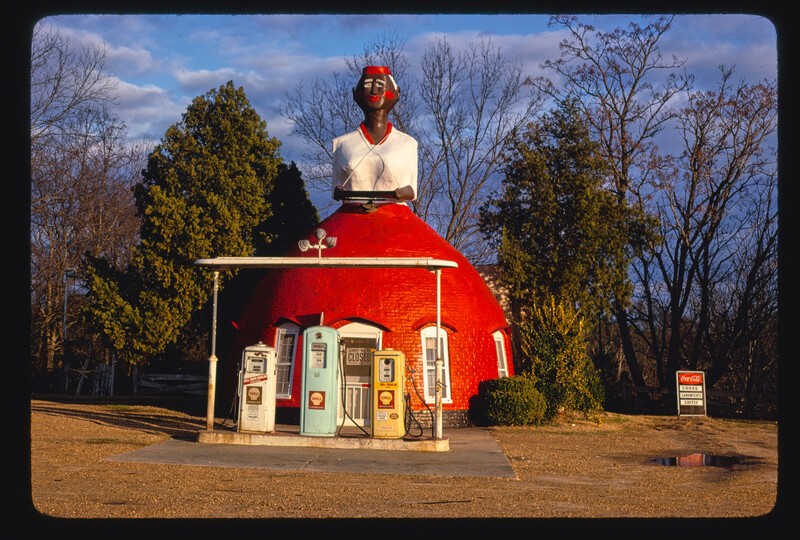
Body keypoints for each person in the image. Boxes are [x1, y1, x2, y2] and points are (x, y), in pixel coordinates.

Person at [332, 66, 418, 203]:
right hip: (352, 216)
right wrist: (339, 191)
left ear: (397, 93)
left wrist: (402, 193)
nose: (373, 91)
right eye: (367, 85)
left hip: (395, 218)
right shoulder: (341, 143)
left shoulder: (408, 143)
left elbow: (412, 190)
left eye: (380, 85)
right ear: (356, 93)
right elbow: (336, 188)